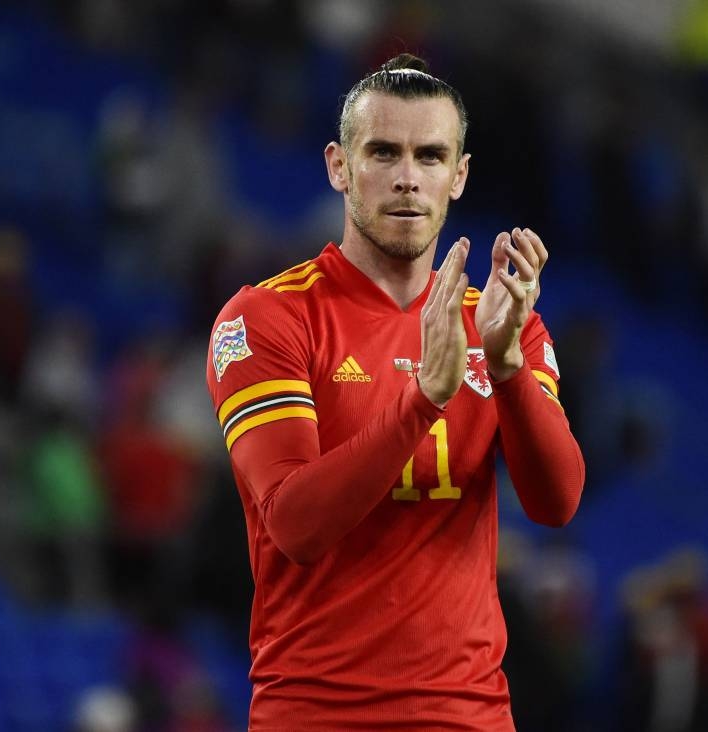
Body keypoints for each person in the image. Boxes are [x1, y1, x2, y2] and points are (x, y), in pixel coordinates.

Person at [206, 53, 585, 731]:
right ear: (339, 167)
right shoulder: (266, 319)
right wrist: (423, 402)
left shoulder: (501, 322)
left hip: (469, 716)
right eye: (383, 152)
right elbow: (294, 525)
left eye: (431, 156)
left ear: (459, 176)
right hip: (318, 715)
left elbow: (556, 502)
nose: (408, 178)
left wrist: (504, 367)